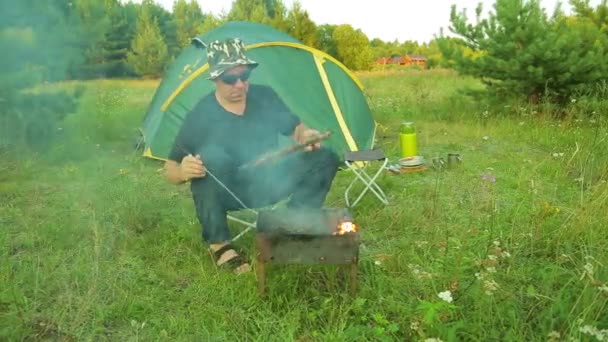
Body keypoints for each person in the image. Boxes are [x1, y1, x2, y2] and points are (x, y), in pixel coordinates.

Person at [164, 38, 341, 274]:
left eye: (244, 76)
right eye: (229, 78)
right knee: (209, 158)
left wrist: (306, 135)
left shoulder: (264, 96)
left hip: (270, 180)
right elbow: (170, 169)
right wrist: (183, 171)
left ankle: (293, 224)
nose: (239, 85)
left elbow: (296, 129)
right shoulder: (201, 115)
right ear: (215, 78)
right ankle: (220, 244)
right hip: (229, 191)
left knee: (325, 157)